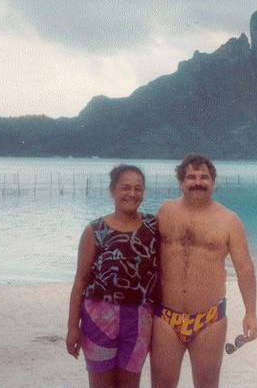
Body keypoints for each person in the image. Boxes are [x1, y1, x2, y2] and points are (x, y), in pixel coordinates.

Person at [151, 154, 257, 388]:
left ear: (213, 183)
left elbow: (245, 268)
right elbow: (146, 256)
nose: (197, 182)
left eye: (204, 177)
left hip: (209, 320)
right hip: (166, 318)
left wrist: (251, 312)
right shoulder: (165, 211)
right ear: (181, 183)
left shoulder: (229, 220)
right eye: (191, 177)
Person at [66, 164, 160, 388]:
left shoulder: (154, 227)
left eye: (138, 188)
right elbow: (80, 281)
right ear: (112, 191)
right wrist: (72, 326)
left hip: (140, 319)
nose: (132, 194)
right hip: (99, 317)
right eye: (125, 187)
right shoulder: (95, 230)